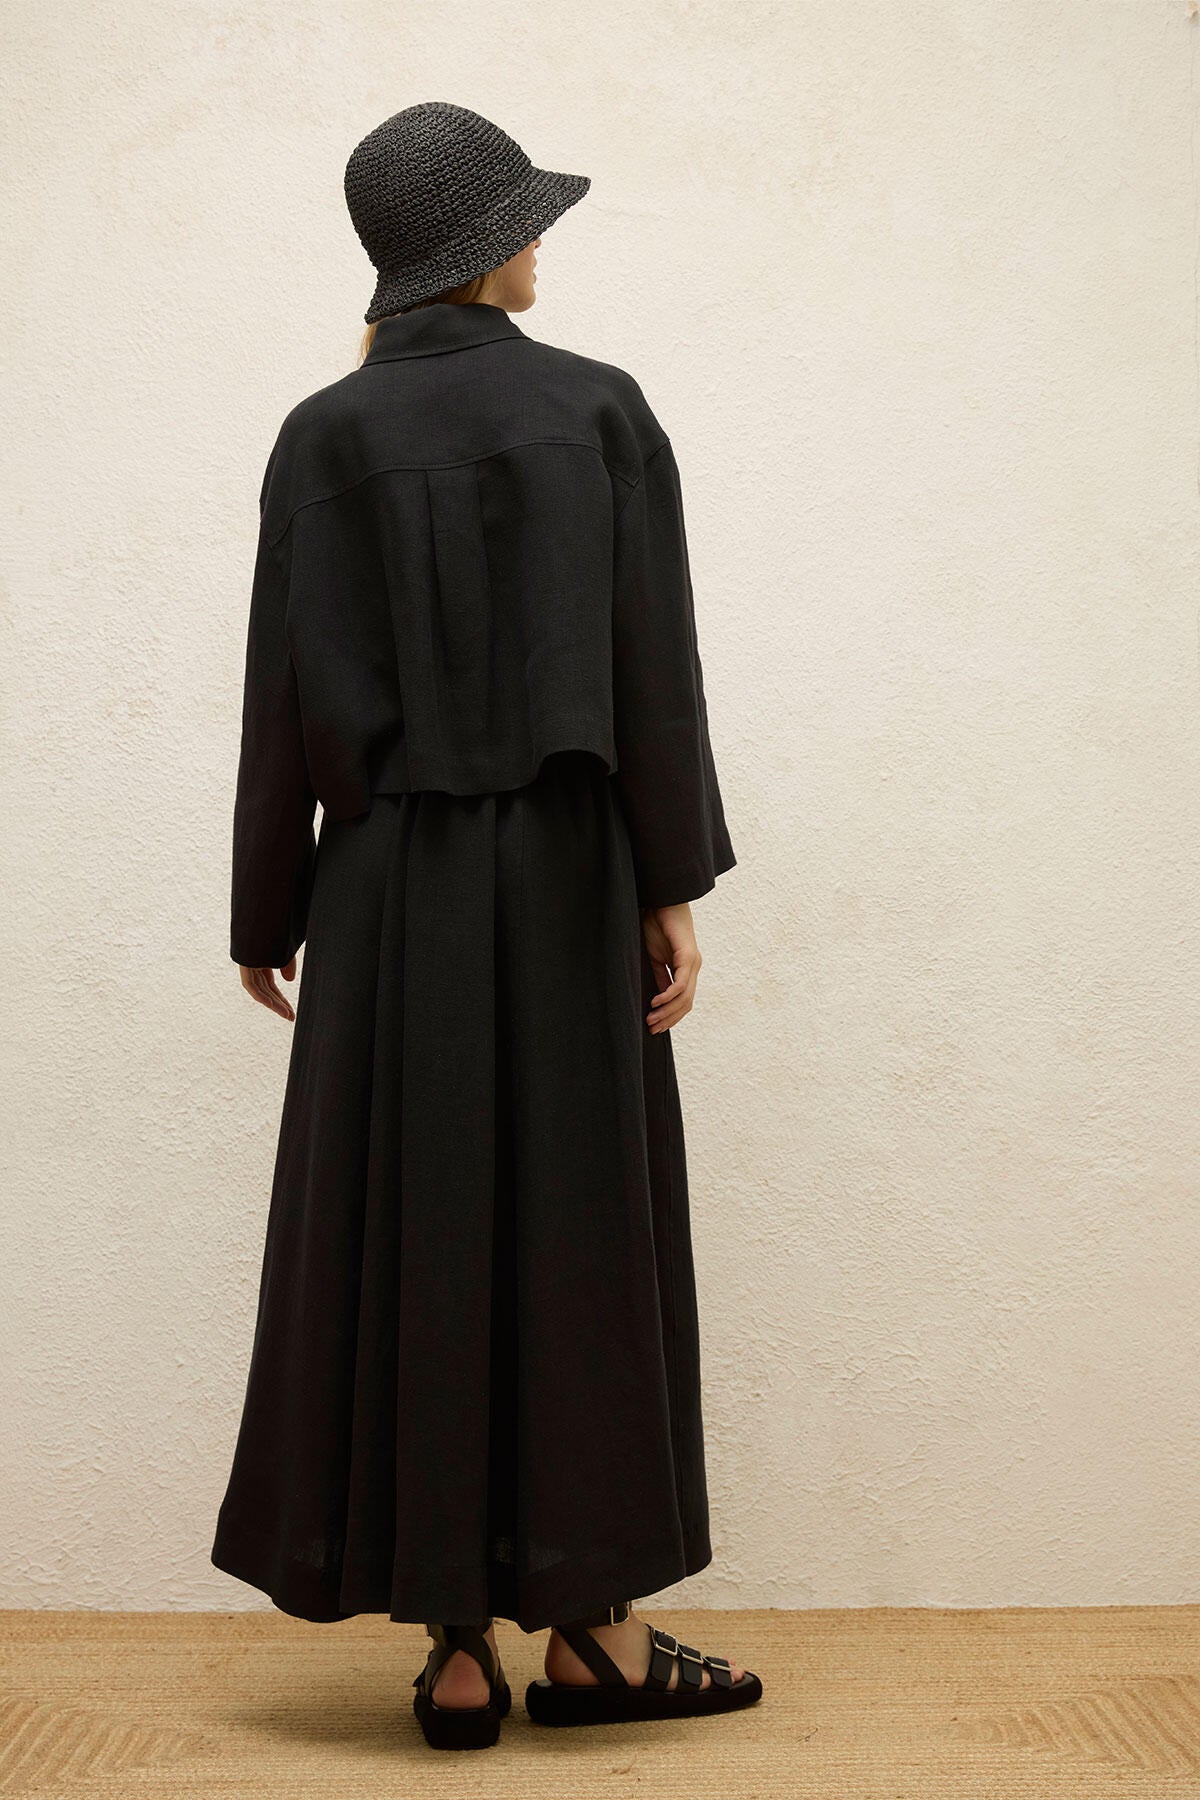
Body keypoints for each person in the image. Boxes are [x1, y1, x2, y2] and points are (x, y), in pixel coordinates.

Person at [209, 100, 761, 1750]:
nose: (543, 241)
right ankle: (594, 1638)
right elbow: (652, 671)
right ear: (479, 245)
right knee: (579, 1232)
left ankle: (456, 1651)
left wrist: (265, 905)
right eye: (525, 217)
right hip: (571, 872)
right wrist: (668, 882)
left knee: (418, 1227)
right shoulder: (597, 410)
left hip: (383, 889)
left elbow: (279, 690)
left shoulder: (321, 437)